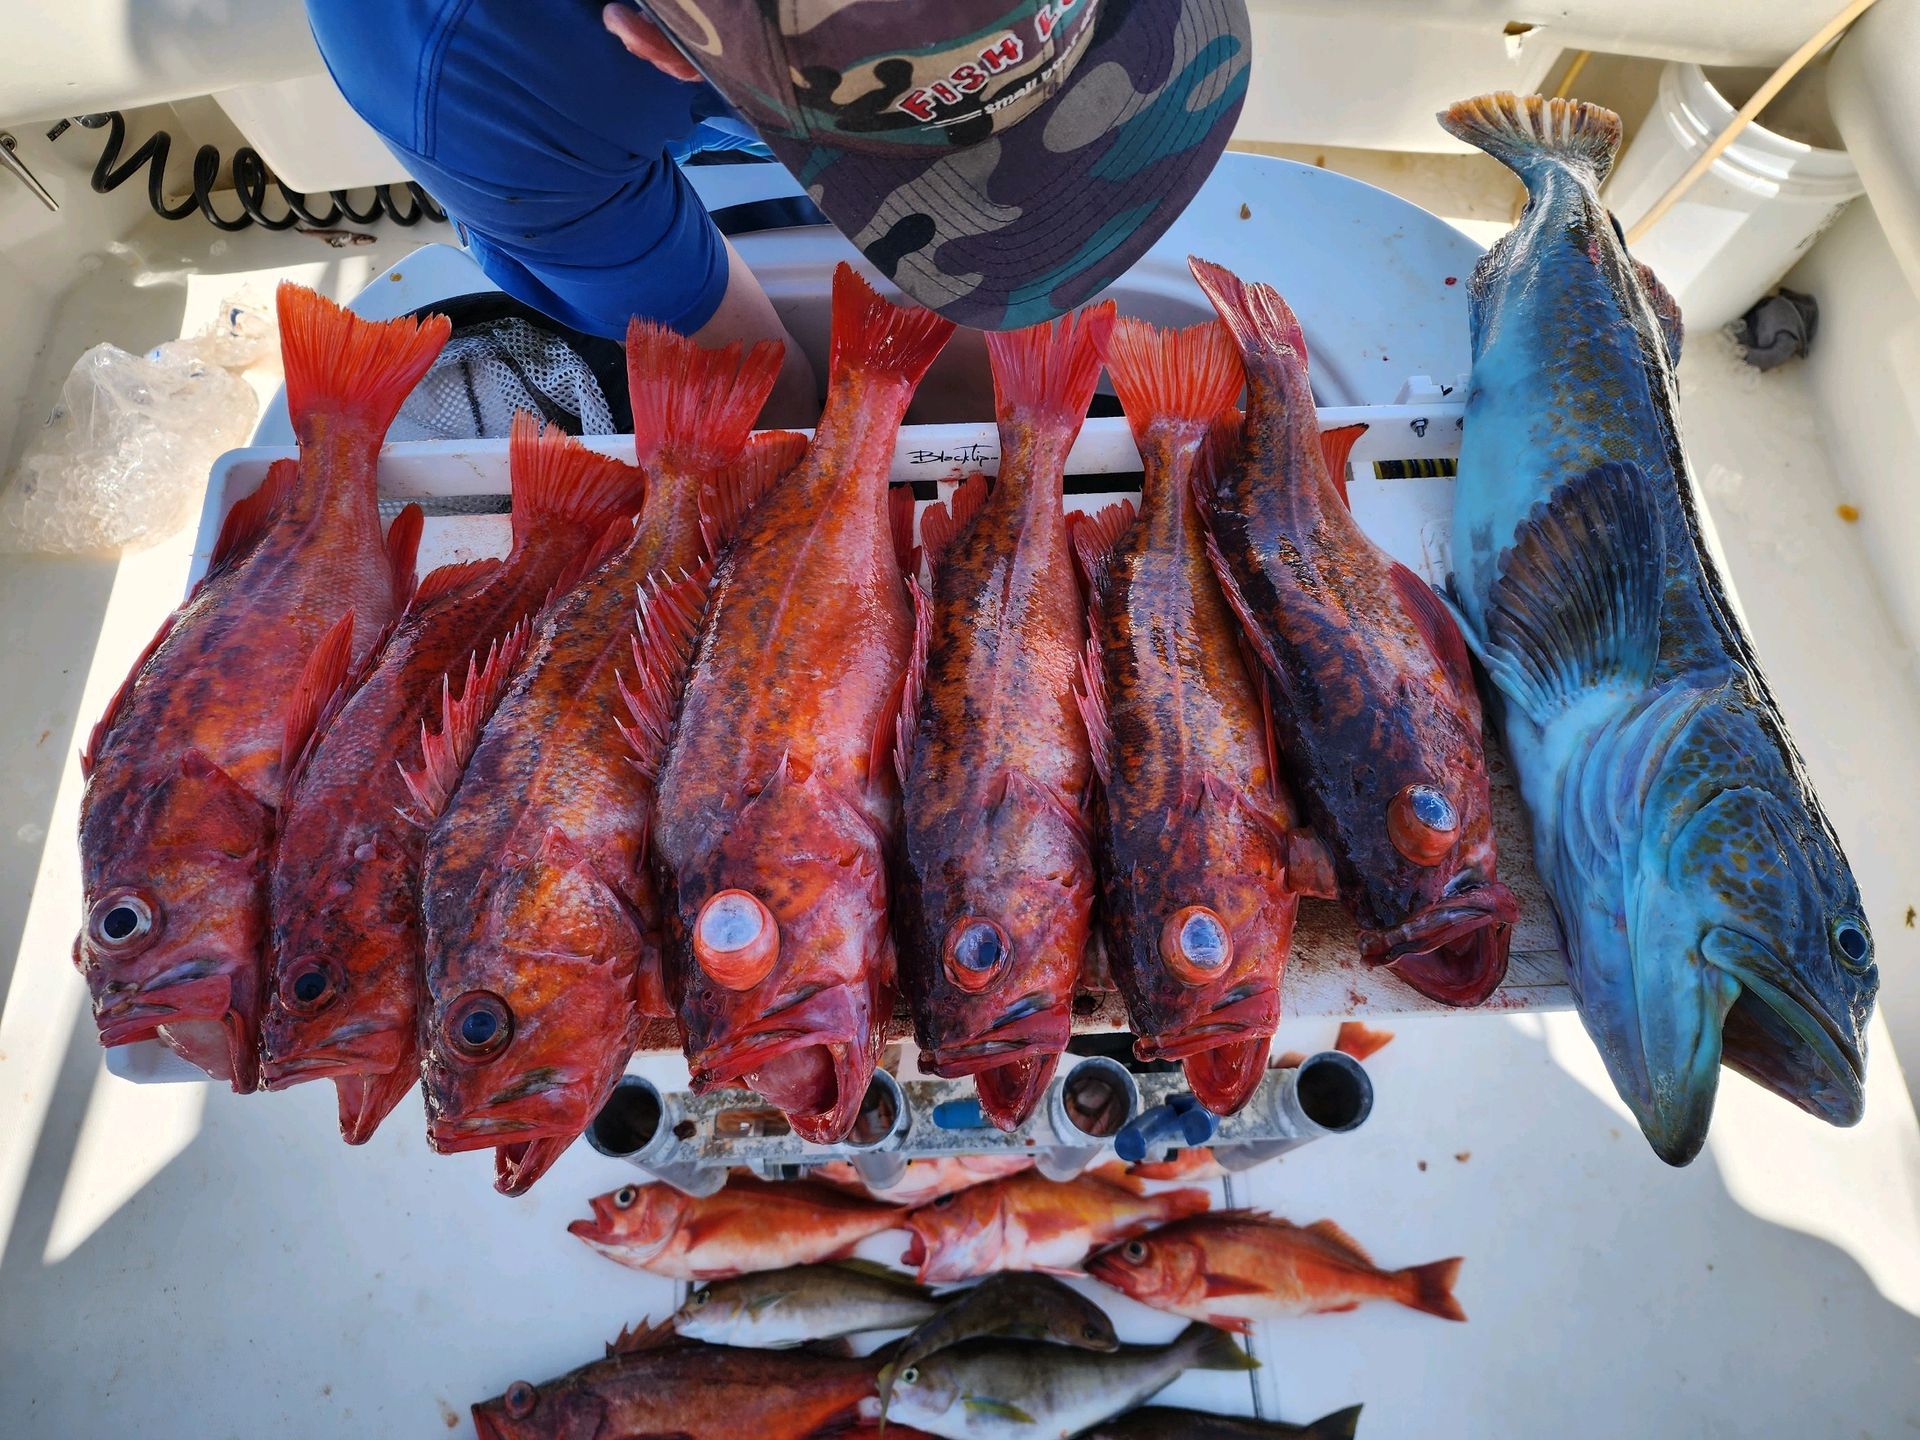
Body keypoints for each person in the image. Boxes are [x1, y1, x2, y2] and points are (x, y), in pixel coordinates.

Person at [305, 0, 1251, 419]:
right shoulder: (464, 70)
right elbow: (739, 369)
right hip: (543, 86)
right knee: (764, 397)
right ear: (658, 42)